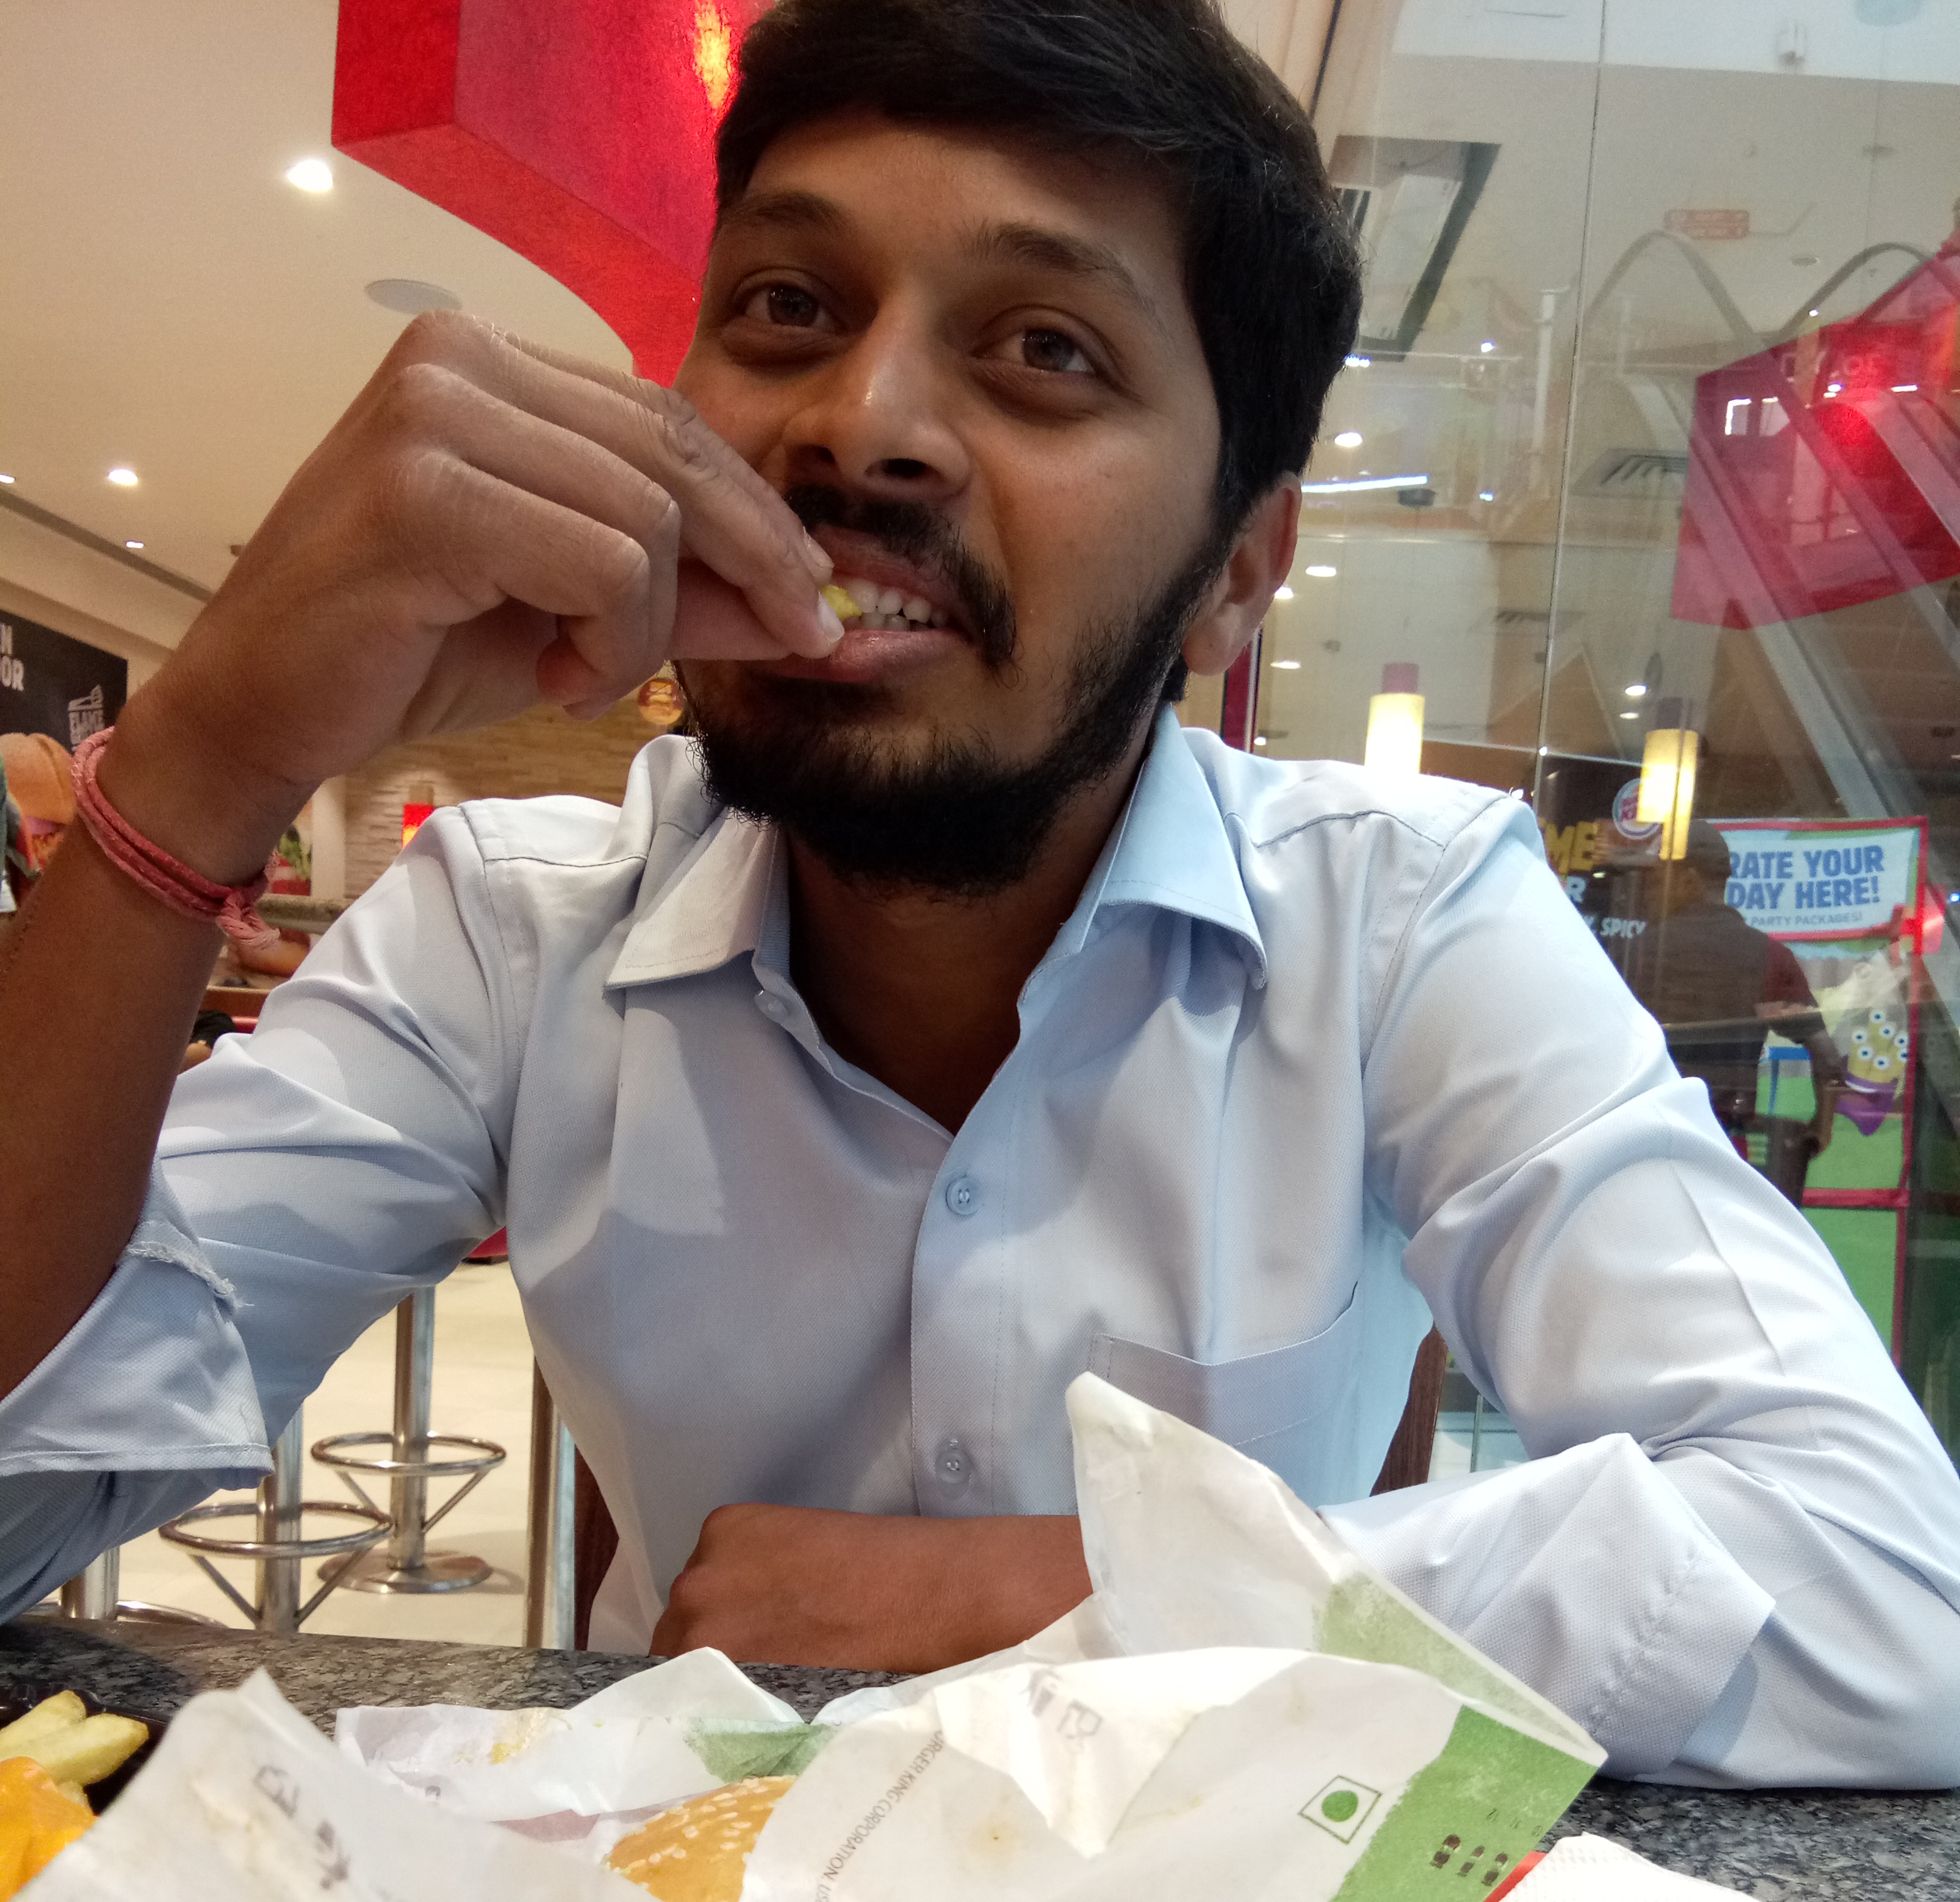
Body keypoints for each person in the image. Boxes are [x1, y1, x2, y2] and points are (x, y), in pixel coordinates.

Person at [1, 0, 1956, 1789]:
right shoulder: (508, 932)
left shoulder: (1401, 924)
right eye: (786, 305)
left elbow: (1886, 1584)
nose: (860, 425)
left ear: (1236, 570)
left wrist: (1067, 1595)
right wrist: (204, 758)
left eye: (1046, 351)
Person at [1615, 822, 1844, 1166]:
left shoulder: (1637, 953)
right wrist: (1821, 1129)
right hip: (1725, 1151)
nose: (1648, 892)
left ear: (1689, 880)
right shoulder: (1769, 957)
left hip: (1643, 1145)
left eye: (1658, 880)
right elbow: (1828, 1060)